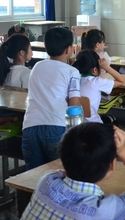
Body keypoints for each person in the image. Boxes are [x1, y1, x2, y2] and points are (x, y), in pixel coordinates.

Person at [5, 123, 125, 220]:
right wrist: (122, 151)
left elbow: (70, 166)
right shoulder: (103, 211)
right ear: (112, 165)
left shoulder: (48, 181)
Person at [21, 27, 82, 170]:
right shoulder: (72, 71)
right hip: (56, 126)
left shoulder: (36, 67)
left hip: (30, 127)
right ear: (69, 49)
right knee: (63, 173)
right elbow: (74, 105)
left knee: (34, 176)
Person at [73, 50, 125, 123]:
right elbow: (122, 81)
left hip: (76, 124)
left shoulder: (74, 80)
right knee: (113, 120)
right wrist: (107, 67)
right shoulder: (97, 81)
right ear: (94, 70)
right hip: (93, 124)